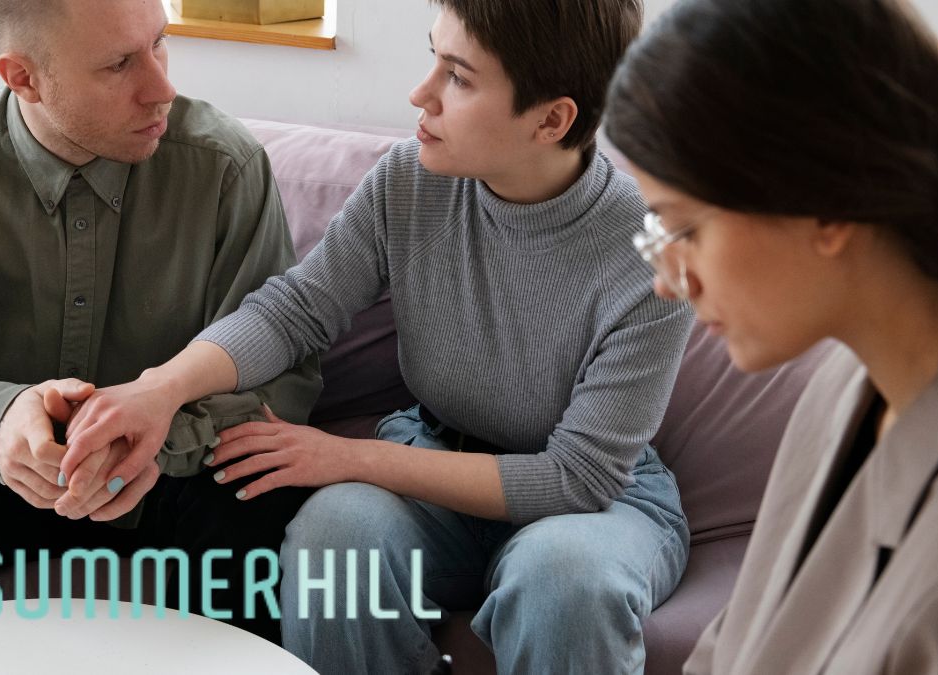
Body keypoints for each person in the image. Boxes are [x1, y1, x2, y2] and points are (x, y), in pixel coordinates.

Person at [63, 1, 694, 672]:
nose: (421, 94)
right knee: (334, 537)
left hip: (598, 506)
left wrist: (348, 456)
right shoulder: (409, 180)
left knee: (566, 578)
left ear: (552, 119)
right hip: (434, 463)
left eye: (458, 76)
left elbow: (577, 477)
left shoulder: (655, 249)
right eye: (433, 58)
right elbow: (296, 309)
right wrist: (159, 389)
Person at [0, 0, 320, 643]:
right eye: (119, 65)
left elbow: (280, 377)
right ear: (21, 76)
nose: (162, 87)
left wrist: (149, 440)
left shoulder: (225, 169)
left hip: (171, 477)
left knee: (261, 495)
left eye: (160, 43)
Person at [604, 0, 938, 672]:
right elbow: (735, 647)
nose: (668, 282)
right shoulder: (844, 387)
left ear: (824, 203)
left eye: (684, 231)